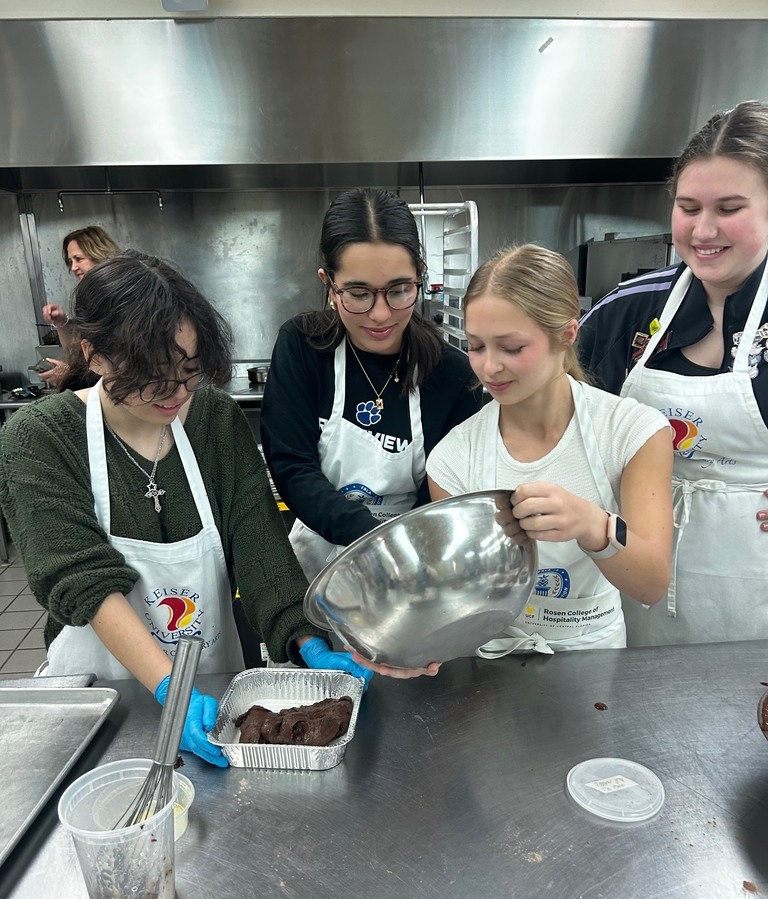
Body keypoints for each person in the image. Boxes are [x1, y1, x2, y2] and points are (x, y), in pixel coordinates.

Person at [0, 251, 371, 767]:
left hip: (217, 692)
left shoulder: (214, 419)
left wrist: (302, 634)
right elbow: (83, 581)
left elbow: (258, 545)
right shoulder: (39, 438)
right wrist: (171, 688)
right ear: (95, 355)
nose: (176, 395)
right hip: (101, 706)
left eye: (190, 372)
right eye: (152, 378)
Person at [579, 100, 768, 646]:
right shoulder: (628, 312)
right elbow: (559, 421)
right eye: (688, 207)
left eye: (729, 208)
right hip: (637, 577)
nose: (703, 230)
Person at [426, 244, 673, 656]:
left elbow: (651, 584)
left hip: (595, 660)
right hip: (490, 663)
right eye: (476, 346)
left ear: (566, 334)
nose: (489, 367)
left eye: (512, 347)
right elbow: (463, 599)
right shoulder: (454, 457)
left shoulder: (632, 431)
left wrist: (592, 525)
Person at [260, 187, 484, 583]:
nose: (380, 315)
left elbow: (446, 486)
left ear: (420, 276)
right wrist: (368, 540)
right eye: (359, 293)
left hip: (415, 566)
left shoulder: (453, 374)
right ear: (328, 283)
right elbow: (293, 466)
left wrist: (401, 555)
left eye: (399, 291)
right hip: (318, 567)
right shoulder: (303, 346)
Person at [39, 225, 121, 388]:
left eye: (78, 259)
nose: (73, 267)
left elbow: (117, 362)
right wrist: (61, 321)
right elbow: (77, 351)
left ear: (99, 254)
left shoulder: (118, 296)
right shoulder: (89, 297)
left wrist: (70, 373)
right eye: (70, 261)